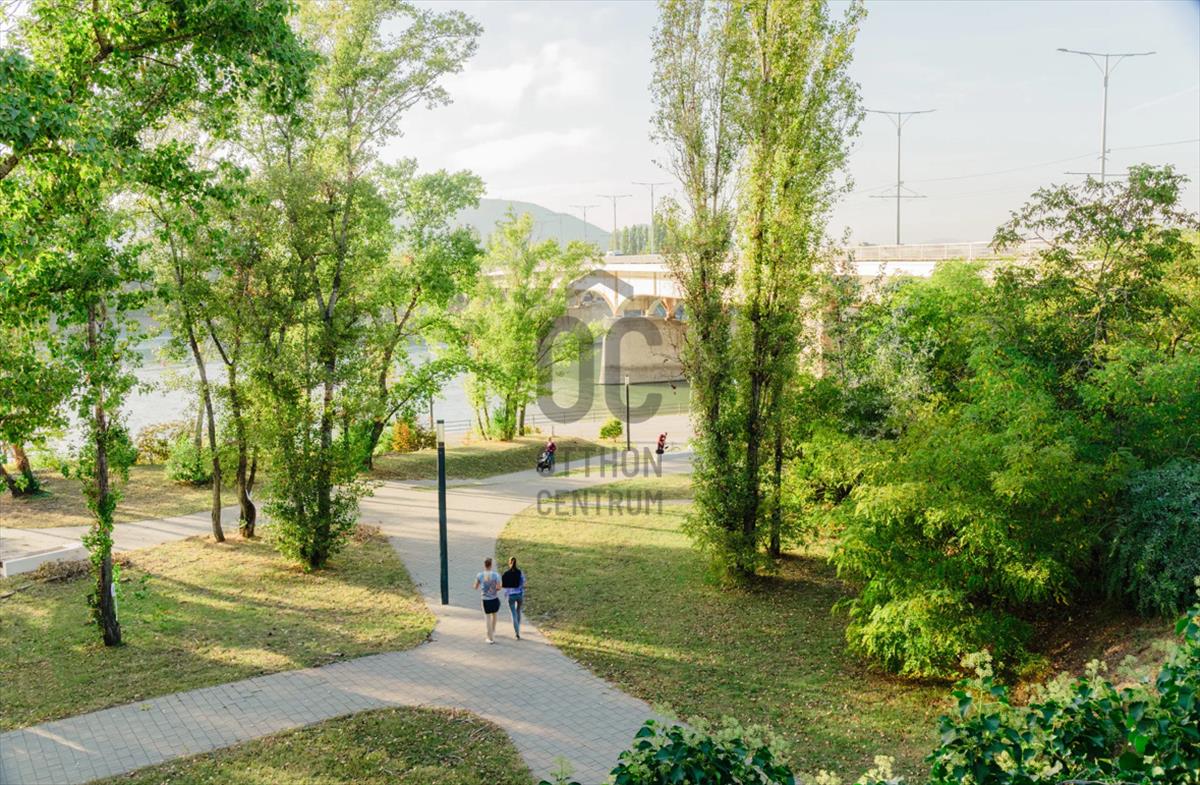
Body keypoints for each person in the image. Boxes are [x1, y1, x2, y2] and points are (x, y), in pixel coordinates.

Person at [473, 557, 502, 644]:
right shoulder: (496, 575)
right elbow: (499, 587)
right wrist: (494, 589)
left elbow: (475, 587)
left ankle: (490, 638)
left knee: (487, 618)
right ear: (491, 565)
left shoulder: (480, 575)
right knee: (494, 615)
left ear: (484, 565)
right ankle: (493, 630)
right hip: (494, 598)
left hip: (485, 599)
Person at [501, 556, 526, 639]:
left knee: (513, 613)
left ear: (509, 563)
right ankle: (517, 627)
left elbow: (504, 585)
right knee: (518, 611)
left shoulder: (506, 574)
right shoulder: (520, 572)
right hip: (519, 595)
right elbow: (523, 582)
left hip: (511, 596)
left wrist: (506, 593)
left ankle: (517, 633)